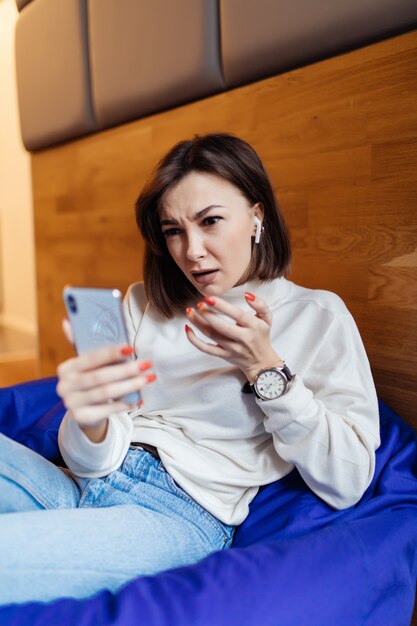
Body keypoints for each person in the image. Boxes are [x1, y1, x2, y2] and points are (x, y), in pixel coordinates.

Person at [0, 133, 380, 605]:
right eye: (173, 230)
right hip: (81, 480)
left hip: (177, 514)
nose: (192, 251)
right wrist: (92, 417)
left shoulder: (317, 317)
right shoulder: (144, 302)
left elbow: (348, 480)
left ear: (256, 217)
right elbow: (88, 461)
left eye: (211, 221)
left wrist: (263, 368)